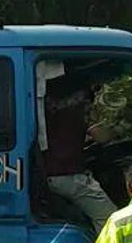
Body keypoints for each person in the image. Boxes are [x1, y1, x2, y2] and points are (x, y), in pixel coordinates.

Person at [43, 69, 118, 233]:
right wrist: (119, 130)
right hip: (69, 175)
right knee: (111, 221)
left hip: (47, 173)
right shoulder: (80, 104)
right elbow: (101, 137)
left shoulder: (46, 103)